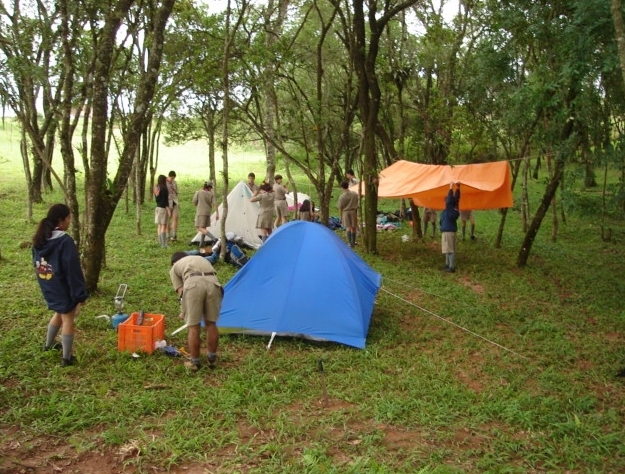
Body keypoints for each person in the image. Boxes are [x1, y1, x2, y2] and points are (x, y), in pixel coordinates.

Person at [32, 203, 88, 367]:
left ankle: (48, 345)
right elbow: (72, 269)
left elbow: (37, 264)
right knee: (68, 318)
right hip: (63, 287)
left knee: (59, 312)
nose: (70, 221)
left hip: (49, 285)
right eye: (68, 218)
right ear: (60, 220)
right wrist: (80, 294)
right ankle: (67, 358)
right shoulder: (64, 241)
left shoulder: (40, 239)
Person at [169, 252, 223, 371]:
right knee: (211, 323)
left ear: (174, 262)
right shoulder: (200, 258)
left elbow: (181, 291)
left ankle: (194, 362)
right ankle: (212, 359)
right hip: (213, 284)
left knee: (193, 326)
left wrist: (183, 311)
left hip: (193, 285)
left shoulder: (175, 267)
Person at [440, 182, 461, 273]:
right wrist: (458, 188)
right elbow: (456, 199)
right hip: (449, 231)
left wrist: (451, 187)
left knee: (450, 249)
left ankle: (451, 267)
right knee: (448, 249)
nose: (445, 201)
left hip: (448, 232)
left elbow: (450, 200)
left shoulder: (450, 209)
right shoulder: (455, 208)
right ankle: (447, 264)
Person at [192, 181, 219, 248]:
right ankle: (201, 244)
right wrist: (217, 213)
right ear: (210, 187)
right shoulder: (211, 194)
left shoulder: (198, 192)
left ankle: (214, 239)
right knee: (204, 227)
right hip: (208, 212)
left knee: (199, 227)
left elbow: (194, 202)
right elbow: (215, 204)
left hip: (200, 212)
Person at [338, 180, 359, 248]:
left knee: (348, 227)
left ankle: (349, 243)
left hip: (346, 213)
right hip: (353, 212)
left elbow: (340, 208)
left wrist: (340, 216)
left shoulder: (342, 197)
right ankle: (353, 242)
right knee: (353, 227)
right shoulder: (355, 194)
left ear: (342, 187)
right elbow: (357, 203)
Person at [154, 174, 171, 248]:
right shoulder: (164, 188)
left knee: (159, 226)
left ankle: (161, 242)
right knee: (164, 226)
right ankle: (164, 244)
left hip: (157, 207)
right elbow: (165, 201)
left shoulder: (156, 187)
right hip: (163, 209)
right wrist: (168, 210)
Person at [166, 171, 180, 242]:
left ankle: (174, 234)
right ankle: (167, 235)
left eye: (173, 178)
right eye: (171, 178)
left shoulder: (174, 182)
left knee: (175, 218)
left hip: (175, 201)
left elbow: (176, 191)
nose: (172, 180)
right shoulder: (165, 183)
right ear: (168, 176)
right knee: (168, 219)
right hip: (168, 202)